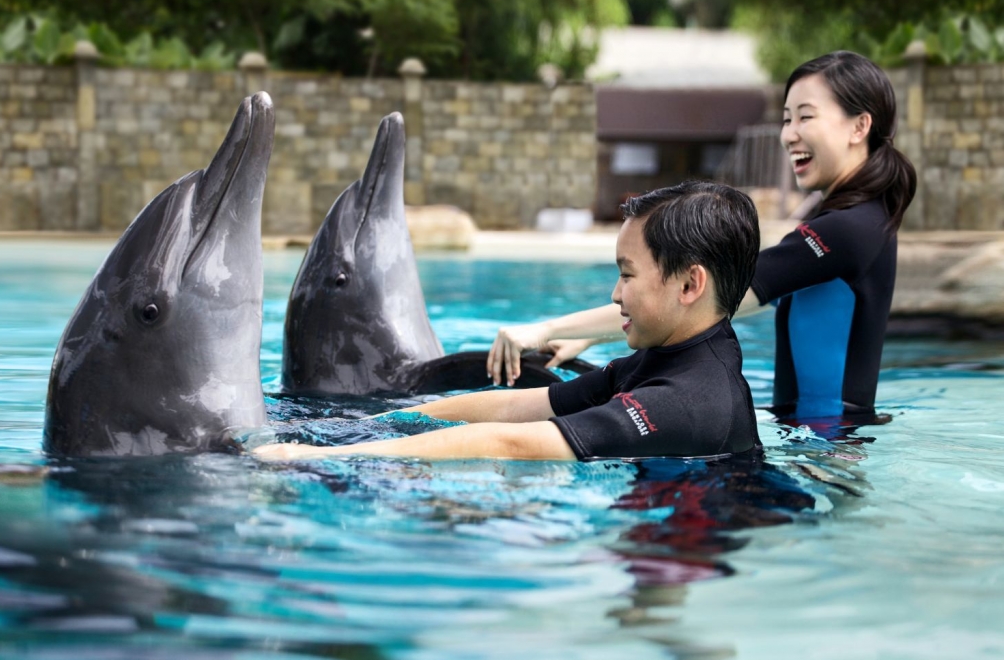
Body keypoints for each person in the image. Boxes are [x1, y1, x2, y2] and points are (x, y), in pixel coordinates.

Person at [488, 51, 916, 425]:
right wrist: (594, 333)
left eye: (806, 116)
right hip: (820, 434)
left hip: (827, 446)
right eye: (787, 119)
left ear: (859, 126)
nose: (789, 134)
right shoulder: (860, 216)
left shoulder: (848, 229)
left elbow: (715, 293)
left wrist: (543, 330)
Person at [255, 180, 761, 461]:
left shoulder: (688, 400)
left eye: (627, 275)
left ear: (690, 285)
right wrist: (375, 427)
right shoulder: (667, 356)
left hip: (689, 547)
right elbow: (527, 404)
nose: (614, 294)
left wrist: (326, 460)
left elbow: (513, 441)